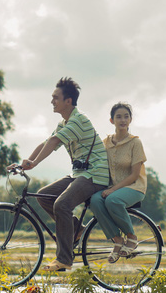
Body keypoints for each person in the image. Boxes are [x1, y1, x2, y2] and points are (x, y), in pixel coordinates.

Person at [18, 77, 109, 271]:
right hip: (79, 173)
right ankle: (76, 228)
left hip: (95, 174)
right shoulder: (65, 122)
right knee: (43, 195)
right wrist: (26, 162)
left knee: (62, 204)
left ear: (68, 101)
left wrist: (33, 164)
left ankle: (64, 260)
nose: (52, 101)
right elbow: (47, 142)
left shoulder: (78, 120)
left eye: (55, 98)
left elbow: (52, 144)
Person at [90, 102, 147, 263]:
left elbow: (135, 175)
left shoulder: (135, 142)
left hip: (134, 187)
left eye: (126, 116)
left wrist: (113, 189)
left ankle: (131, 236)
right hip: (112, 188)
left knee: (112, 200)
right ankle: (117, 240)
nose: (123, 120)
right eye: (119, 117)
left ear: (130, 120)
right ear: (111, 120)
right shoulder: (105, 142)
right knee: (94, 200)